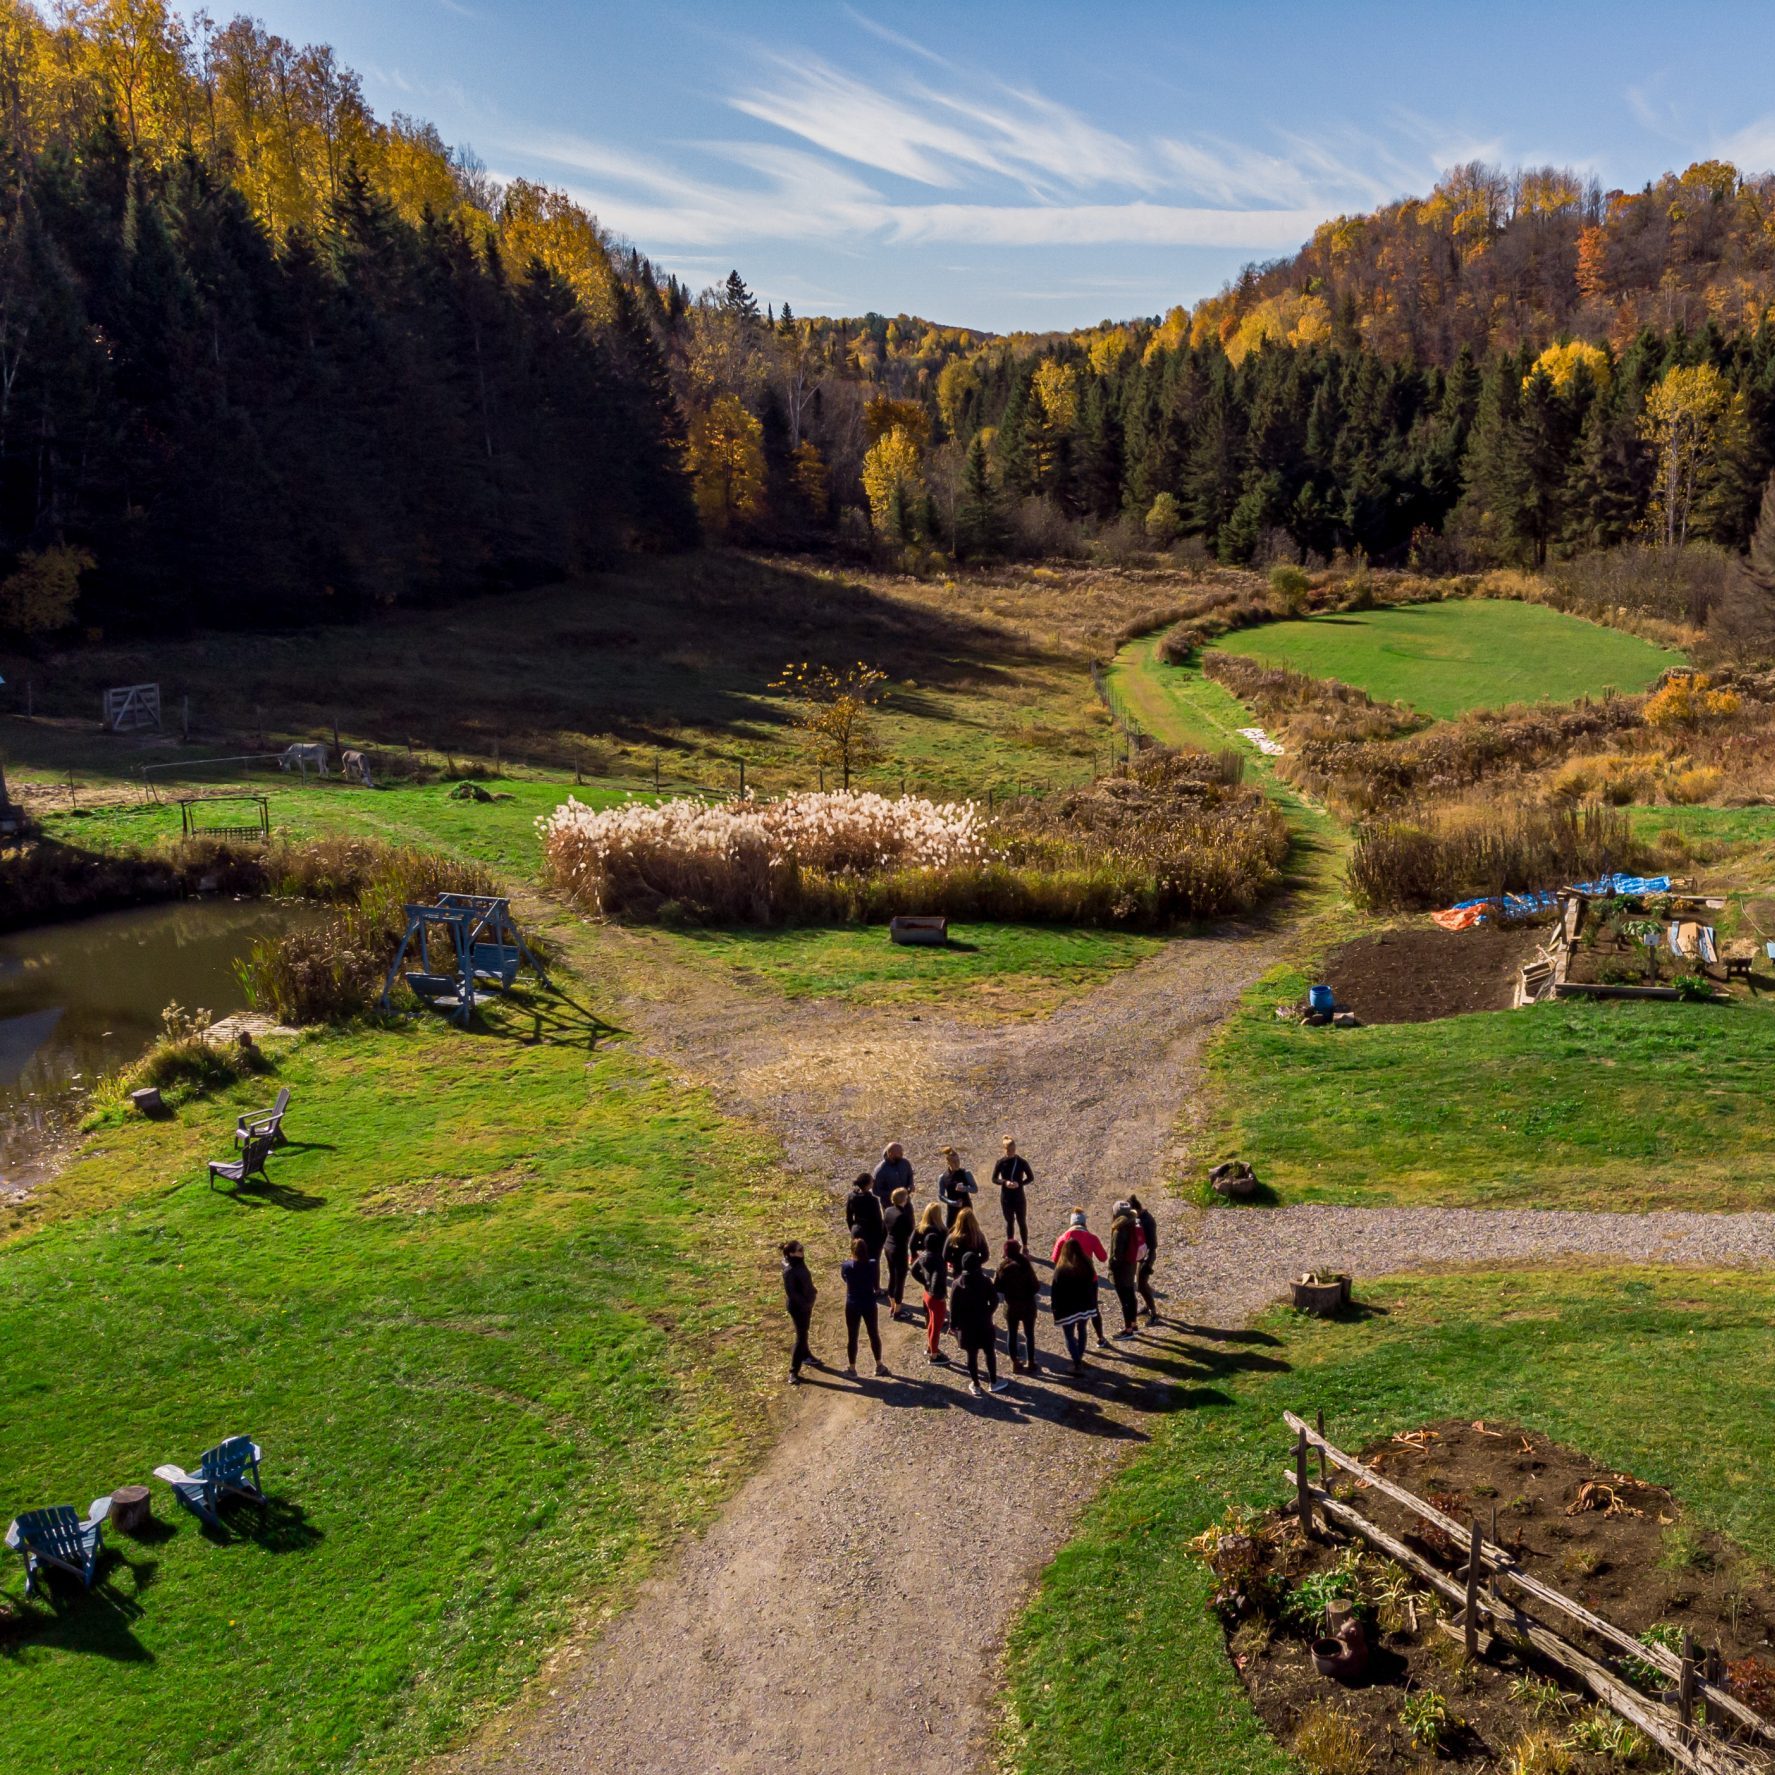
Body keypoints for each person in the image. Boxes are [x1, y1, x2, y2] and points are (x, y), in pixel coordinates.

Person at [949, 1249, 1008, 1395]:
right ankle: (994, 1381)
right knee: (989, 1352)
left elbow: (953, 1308)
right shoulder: (985, 1281)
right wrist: (988, 1313)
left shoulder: (957, 1284)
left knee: (971, 1355)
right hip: (983, 1323)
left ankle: (976, 1384)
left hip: (966, 1326)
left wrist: (953, 1325)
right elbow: (994, 1300)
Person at [1051, 1209, 1109, 1346]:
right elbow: (1103, 1257)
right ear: (1084, 1223)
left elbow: (1054, 1259)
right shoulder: (1091, 1237)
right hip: (1089, 1280)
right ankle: (1100, 1338)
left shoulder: (1063, 1238)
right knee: (1093, 1309)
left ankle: (1071, 1340)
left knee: (1072, 1309)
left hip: (1069, 1281)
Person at [1049, 1240, 1100, 1374]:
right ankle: (1080, 1357)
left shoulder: (1061, 1270)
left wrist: (1054, 1308)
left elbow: (1055, 1292)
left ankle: (1077, 1363)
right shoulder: (1087, 1265)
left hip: (1067, 1309)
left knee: (1069, 1335)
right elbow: (1093, 1284)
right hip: (1085, 1306)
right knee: (1082, 1330)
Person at [840, 1236, 886, 1377]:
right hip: (869, 1302)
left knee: (852, 1336)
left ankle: (852, 1368)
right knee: (873, 1334)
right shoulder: (872, 1264)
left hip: (853, 1303)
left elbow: (845, 1278)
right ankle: (879, 1365)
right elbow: (876, 1284)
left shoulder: (846, 1266)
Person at [910, 1202, 950, 1364]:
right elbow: (936, 1278)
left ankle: (930, 1347)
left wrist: (925, 1283)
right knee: (936, 1325)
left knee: (931, 1323)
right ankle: (934, 1354)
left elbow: (913, 1270)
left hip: (927, 1293)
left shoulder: (923, 1256)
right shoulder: (939, 1261)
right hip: (935, 1295)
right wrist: (938, 1293)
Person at [995, 1239, 1040, 1374]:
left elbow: (997, 1287)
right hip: (1028, 1305)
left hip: (1011, 1306)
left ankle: (1015, 1362)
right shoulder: (1025, 1264)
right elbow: (1036, 1286)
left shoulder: (1003, 1267)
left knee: (1012, 1334)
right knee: (1029, 1334)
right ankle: (1031, 1362)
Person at [780, 1240, 817, 1383]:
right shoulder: (790, 1271)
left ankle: (806, 1355)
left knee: (804, 1332)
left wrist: (812, 1290)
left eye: (802, 1248)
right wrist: (806, 1303)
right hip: (798, 1308)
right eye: (800, 1250)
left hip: (806, 1304)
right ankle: (793, 1372)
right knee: (800, 1338)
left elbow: (805, 1281)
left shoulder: (799, 1261)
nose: (803, 1252)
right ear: (791, 1254)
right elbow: (792, 1293)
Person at [1107, 1200, 1145, 1337]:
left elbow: (1116, 1255)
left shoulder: (1119, 1230)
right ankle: (1134, 1325)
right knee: (1131, 1296)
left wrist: (1111, 1267)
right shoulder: (1133, 1224)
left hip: (1121, 1270)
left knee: (1125, 1301)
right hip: (1131, 1265)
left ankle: (1128, 1330)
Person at [881, 1187, 916, 1320]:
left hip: (888, 1246)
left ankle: (892, 1305)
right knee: (900, 1280)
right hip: (899, 1250)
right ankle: (897, 1311)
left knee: (892, 1276)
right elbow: (910, 1232)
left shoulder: (888, 1210)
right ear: (904, 1199)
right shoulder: (903, 1216)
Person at [992, 1136, 1033, 1247]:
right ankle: (1010, 1247)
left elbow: (1030, 1177)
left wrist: (1020, 1184)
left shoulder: (1021, 1162)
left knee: (1021, 1222)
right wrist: (1005, 1182)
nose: (1011, 1152)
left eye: (1013, 1149)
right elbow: (994, 1179)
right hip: (1006, 1198)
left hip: (1019, 1197)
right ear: (1004, 1149)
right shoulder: (1000, 1162)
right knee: (1009, 1222)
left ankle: (1025, 1246)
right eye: (1009, 1150)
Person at [1129, 1193, 1159, 1323]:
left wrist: (1147, 1262)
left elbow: (1152, 1245)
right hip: (1142, 1256)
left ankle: (1154, 1313)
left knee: (1141, 1286)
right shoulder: (1140, 1218)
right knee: (1142, 1284)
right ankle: (1148, 1306)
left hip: (1147, 1256)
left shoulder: (1147, 1221)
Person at [845, 1172, 886, 1265]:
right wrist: (881, 1238)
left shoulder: (852, 1196)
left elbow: (849, 1216)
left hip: (857, 1230)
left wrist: (853, 1228)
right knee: (873, 1260)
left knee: (858, 1258)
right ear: (867, 1185)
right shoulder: (872, 1200)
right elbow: (877, 1220)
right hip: (871, 1233)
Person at [936, 1146, 977, 1229]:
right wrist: (952, 1202)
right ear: (948, 1162)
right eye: (954, 1161)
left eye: (958, 1160)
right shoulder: (943, 1177)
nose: (957, 1163)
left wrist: (965, 1188)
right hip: (952, 1210)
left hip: (966, 1208)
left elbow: (975, 1189)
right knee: (951, 1231)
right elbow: (941, 1195)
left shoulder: (966, 1173)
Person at [945, 1204, 990, 1275]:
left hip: (958, 1271)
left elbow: (945, 1256)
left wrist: (956, 1262)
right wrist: (975, 1262)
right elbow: (985, 1256)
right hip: (975, 1271)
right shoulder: (978, 1236)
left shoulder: (952, 1237)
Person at [872, 1141, 913, 1208]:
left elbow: (910, 1174)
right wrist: (895, 1194)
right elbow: (876, 1191)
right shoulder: (881, 1170)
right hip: (889, 1205)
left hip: (906, 1203)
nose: (902, 1154)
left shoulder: (905, 1163)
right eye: (899, 1153)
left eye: (902, 1152)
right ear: (890, 1154)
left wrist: (911, 1184)